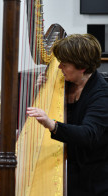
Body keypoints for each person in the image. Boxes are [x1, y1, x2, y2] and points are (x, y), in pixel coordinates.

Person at [27, 34, 108, 196]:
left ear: (82, 67)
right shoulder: (64, 83)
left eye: (64, 64)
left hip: (92, 176)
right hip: (66, 162)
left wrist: (53, 125)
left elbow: (87, 134)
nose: (58, 68)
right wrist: (40, 90)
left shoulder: (102, 95)